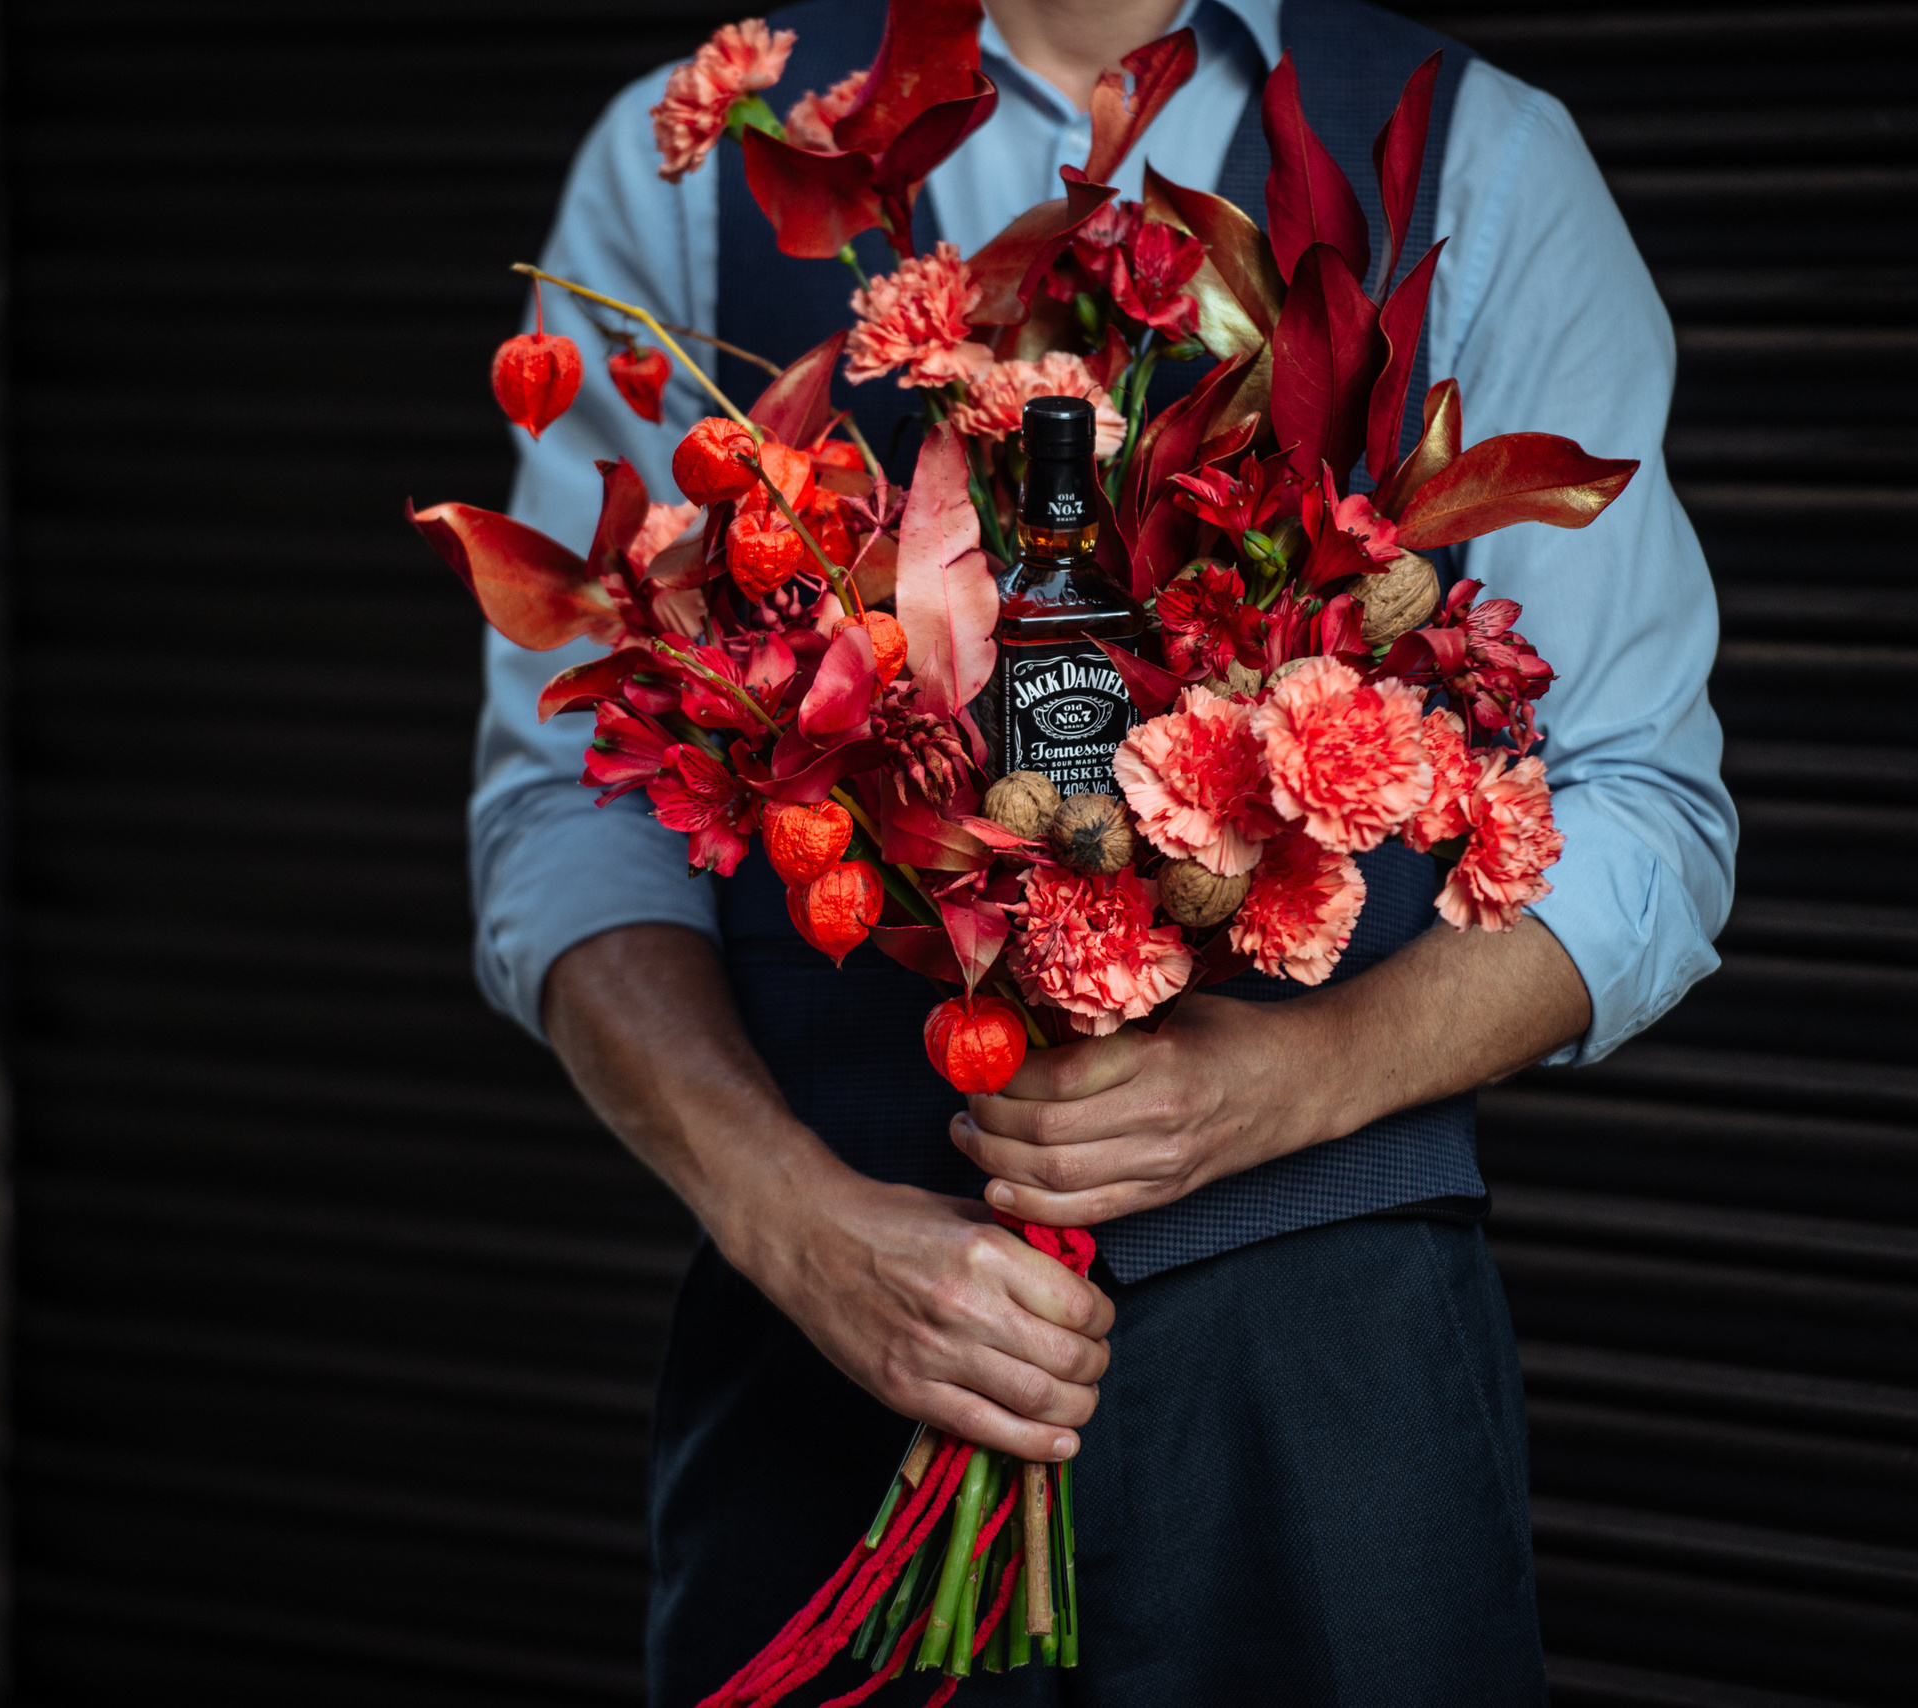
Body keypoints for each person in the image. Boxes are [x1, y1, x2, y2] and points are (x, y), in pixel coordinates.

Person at [474, 0, 1735, 1700]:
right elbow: (567, 801)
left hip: (1326, 1398)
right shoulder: (706, 156)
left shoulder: (1481, 157)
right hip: (834, 1359)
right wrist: (790, 1218)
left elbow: (1646, 813)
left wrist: (1295, 1076)